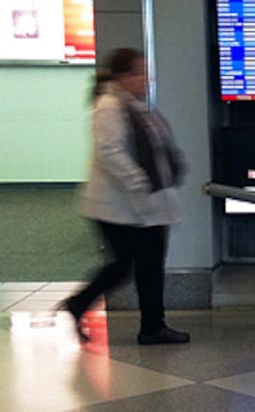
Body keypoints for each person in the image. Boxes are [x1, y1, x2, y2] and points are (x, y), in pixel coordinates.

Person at [61, 47, 190, 345]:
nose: (147, 78)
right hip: (121, 205)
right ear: (123, 76)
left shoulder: (133, 106)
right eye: (141, 72)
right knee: (130, 265)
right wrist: (140, 182)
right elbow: (111, 152)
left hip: (140, 203)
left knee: (141, 264)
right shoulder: (110, 106)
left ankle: (151, 325)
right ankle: (146, 324)